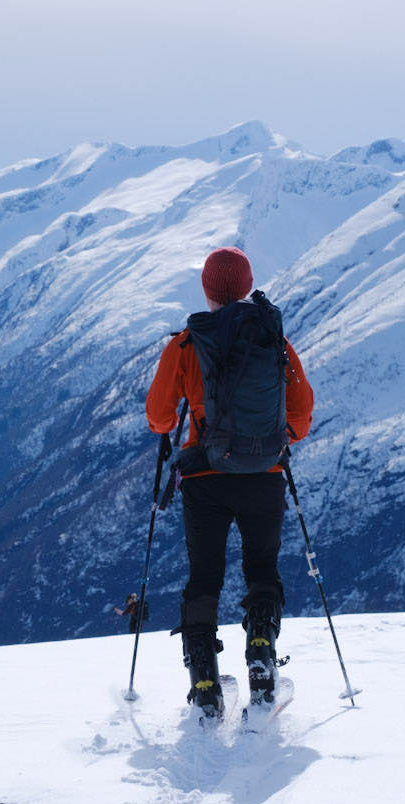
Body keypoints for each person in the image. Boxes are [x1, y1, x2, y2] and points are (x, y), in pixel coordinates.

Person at [145, 246, 314, 719]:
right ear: (246, 284)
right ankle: (260, 646)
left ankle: (203, 679)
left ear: (207, 288)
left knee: (204, 578)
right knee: (262, 569)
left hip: (204, 480)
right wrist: (275, 443)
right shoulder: (275, 340)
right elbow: (300, 415)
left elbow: (158, 416)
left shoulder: (184, 344)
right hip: (264, 475)